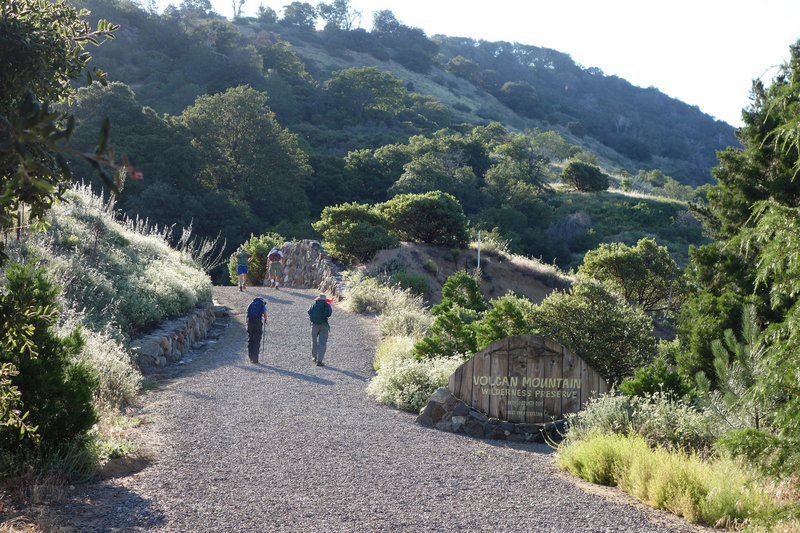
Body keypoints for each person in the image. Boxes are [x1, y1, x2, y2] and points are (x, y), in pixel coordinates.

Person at [307, 293, 333, 366]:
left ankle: (314, 357)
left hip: (314, 325)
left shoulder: (314, 304)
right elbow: (329, 313)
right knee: (322, 343)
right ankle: (319, 361)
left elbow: (309, 312)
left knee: (314, 341)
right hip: (324, 325)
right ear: (325, 299)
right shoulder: (327, 305)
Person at [246, 296, 268, 363]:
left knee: (250, 340)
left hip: (250, 323)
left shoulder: (251, 304)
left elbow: (247, 314)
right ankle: (255, 359)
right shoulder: (262, 304)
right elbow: (265, 314)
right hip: (258, 324)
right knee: (257, 341)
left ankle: (250, 357)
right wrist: (265, 319)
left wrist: (246, 323)